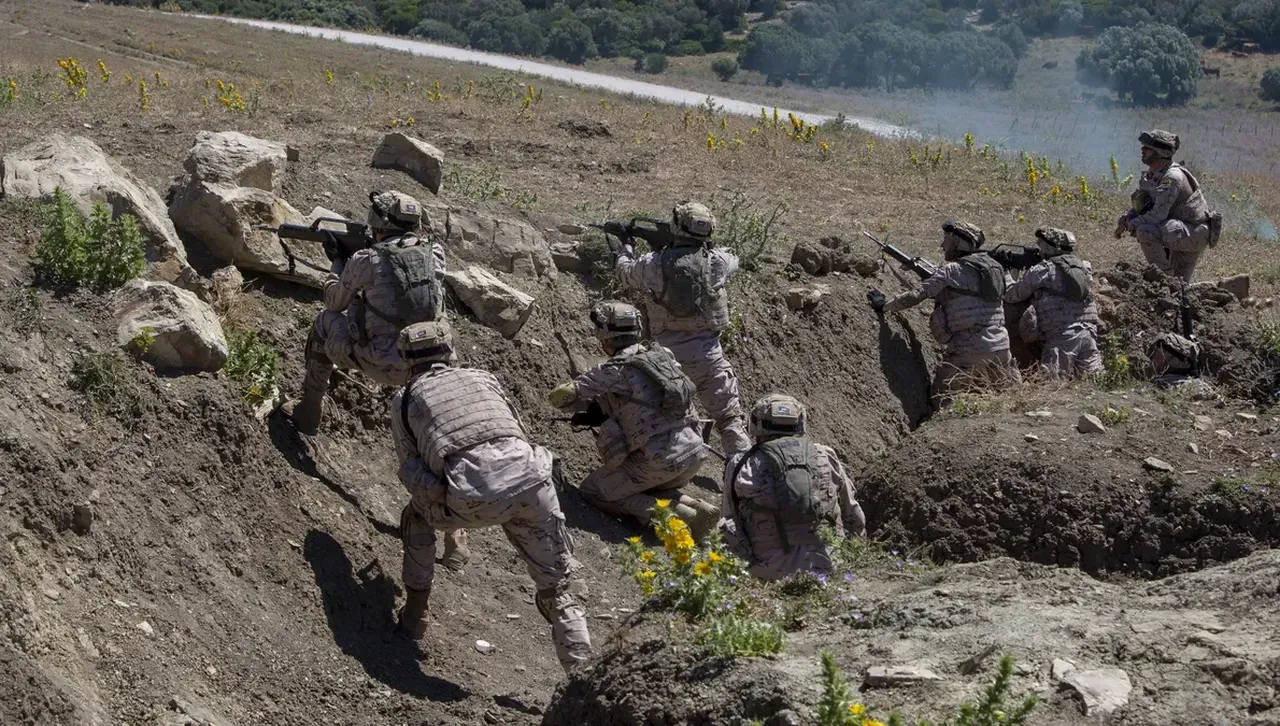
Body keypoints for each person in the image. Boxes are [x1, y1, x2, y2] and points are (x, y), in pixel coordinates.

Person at [390, 321, 591, 672]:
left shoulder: (404, 399)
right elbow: (517, 432)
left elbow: (411, 468)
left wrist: (442, 491)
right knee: (557, 588)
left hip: (471, 497)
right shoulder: (484, 378)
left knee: (416, 518)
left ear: (406, 361)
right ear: (449, 351)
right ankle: (582, 675)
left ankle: (415, 615)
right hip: (532, 481)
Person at [549, 302, 720, 540]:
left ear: (606, 336)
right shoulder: (663, 354)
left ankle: (680, 516)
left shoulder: (614, 370)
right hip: (695, 451)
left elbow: (561, 397)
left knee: (594, 490)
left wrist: (579, 400)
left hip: (661, 460)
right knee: (650, 486)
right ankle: (698, 506)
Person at [290, 190, 445, 436]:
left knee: (324, 322)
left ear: (376, 221)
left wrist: (338, 263)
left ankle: (309, 411)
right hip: (429, 364)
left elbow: (333, 302)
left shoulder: (365, 259)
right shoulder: (434, 254)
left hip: (381, 362)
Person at [614, 201, 752, 457]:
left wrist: (627, 246)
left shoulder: (653, 263)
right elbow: (735, 258)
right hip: (708, 359)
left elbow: (624, 272)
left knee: (656, 418)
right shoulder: (718, 262)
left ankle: (663, 468)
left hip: (664, 362)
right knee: (730, 419)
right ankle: (746, 479)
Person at [867, 220, 1020, 405]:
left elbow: (916, 296)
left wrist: (884, 306)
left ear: (957, 243)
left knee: (941, 402)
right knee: (1007, 403)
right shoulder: (998, 270)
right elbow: (1012, 294)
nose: (941, 245)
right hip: (1002, 348)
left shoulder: (952, 271)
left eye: (946, 240)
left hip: (967, 350)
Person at [719, 394, 866, 581]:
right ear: (800, 422)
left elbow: (728, 519)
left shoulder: (741, 463)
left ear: (755, 424)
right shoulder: (826, 455)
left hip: (769, 572)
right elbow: (853, 514)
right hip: (829, 565)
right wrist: (854, 561)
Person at [1114, 130, 1221, 282]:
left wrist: (1134, 223)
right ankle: (1174, 286)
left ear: (1160, 152)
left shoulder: (1172, 177)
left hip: (1193, 232)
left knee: (1145, 230)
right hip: (1176, 231)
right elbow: (1145, 205)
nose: (1142, 150)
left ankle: (1164, 280)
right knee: (1181, 287)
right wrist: (1128, 216)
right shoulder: (1152, 176)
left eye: (1147, 148)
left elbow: (1158, 215)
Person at [1005, 227, 1103, 378]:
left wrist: (1007, 275)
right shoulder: (1084, 268)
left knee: (1052, 386)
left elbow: (1013, 296)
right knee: (1095, 383)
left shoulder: (1043, 270)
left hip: (1062, 337)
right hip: (1088, 334)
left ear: (1048, 248)